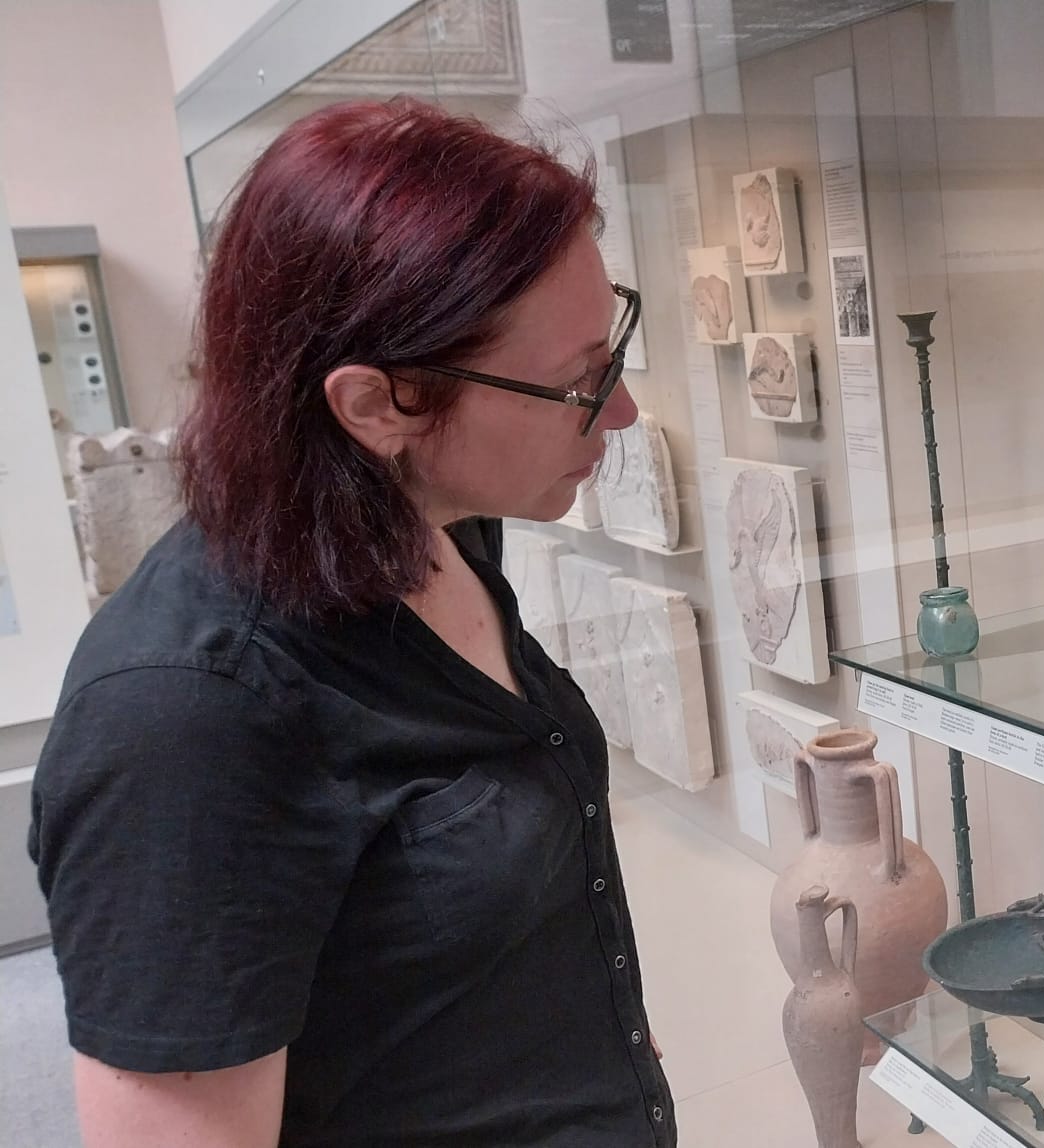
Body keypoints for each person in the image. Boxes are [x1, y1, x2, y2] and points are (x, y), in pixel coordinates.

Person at [27, 98, 674, 1146]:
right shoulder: (183, 723)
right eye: (577, 381)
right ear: (377, 407)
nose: (621, 411)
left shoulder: (433, 526)